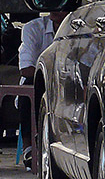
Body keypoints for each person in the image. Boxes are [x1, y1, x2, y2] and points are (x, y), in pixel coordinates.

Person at [16, 9, 68, 166]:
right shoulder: (33, 28)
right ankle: (29, 149)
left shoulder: (80, 30)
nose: (56, 9)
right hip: (42, 83)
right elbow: (25, 67)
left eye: (62, 5)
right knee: (29, 89)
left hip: (68, 84)